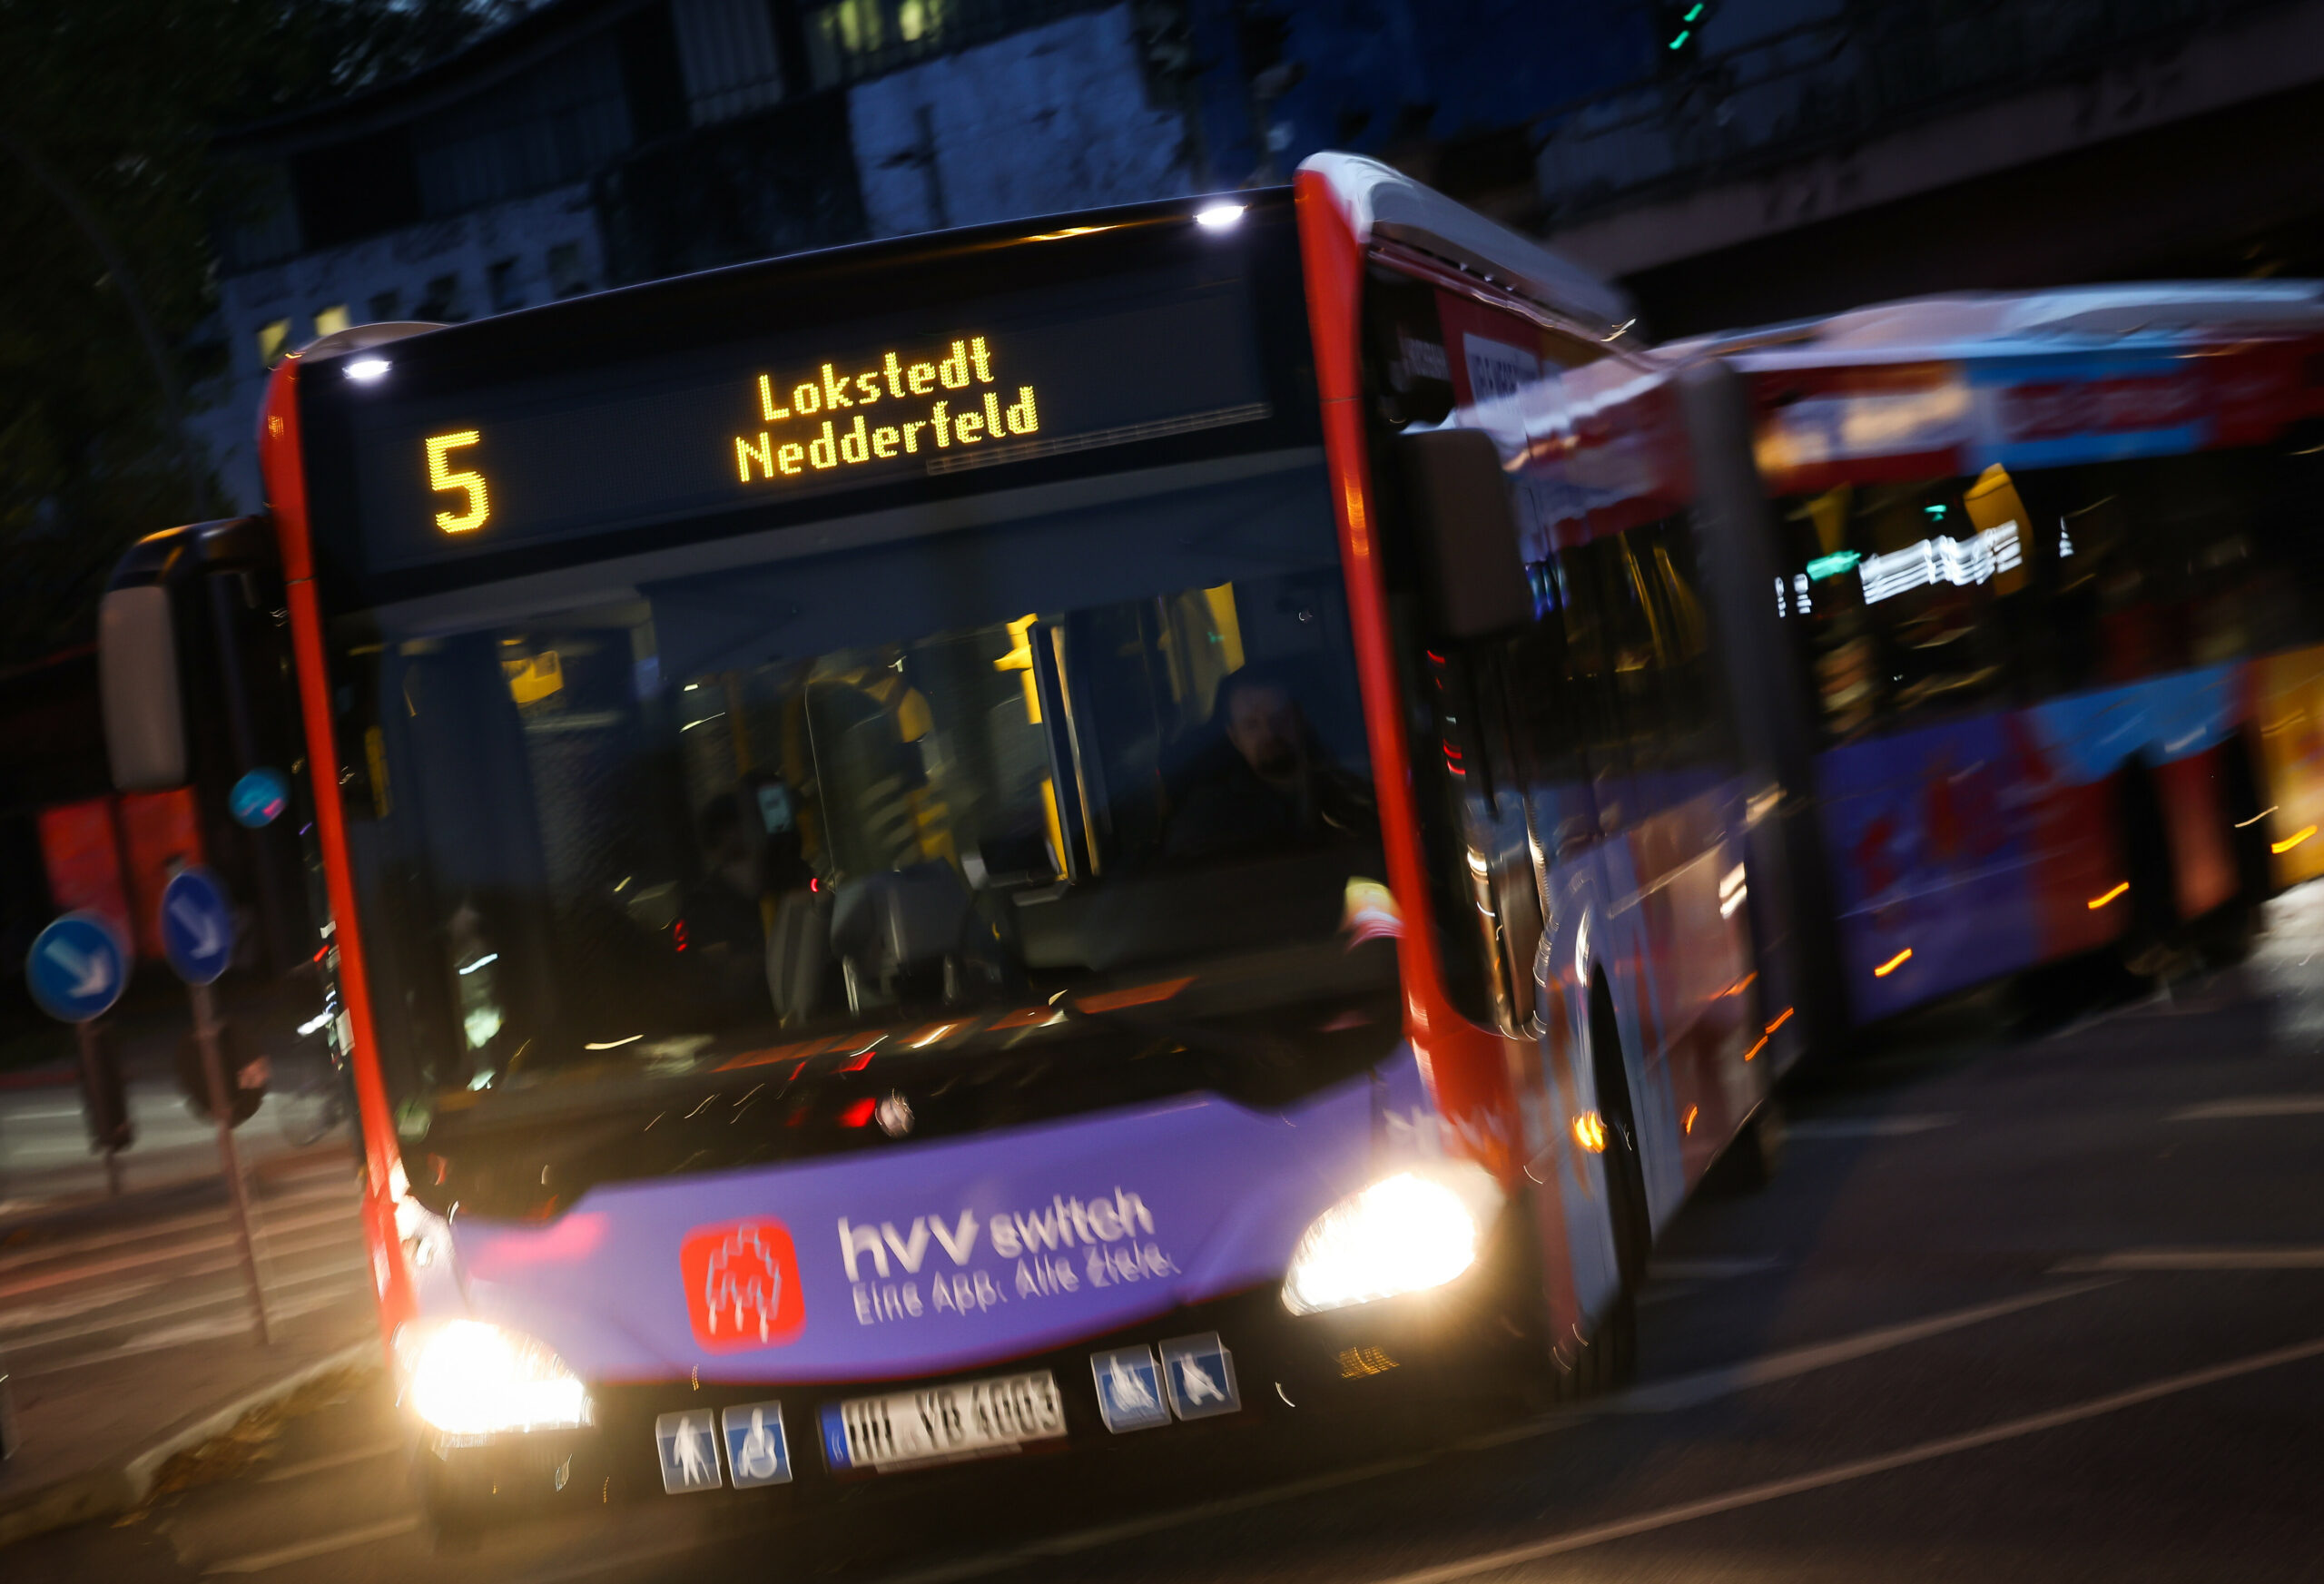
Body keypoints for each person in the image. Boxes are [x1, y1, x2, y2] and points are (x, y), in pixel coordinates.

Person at [1163, 666, 1376, 861]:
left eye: (1280, 718)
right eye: (1251, 725)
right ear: (1234, 737)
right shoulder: (1210, 814)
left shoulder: (1348, 787)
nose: (1269, 733)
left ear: (1299, 719)